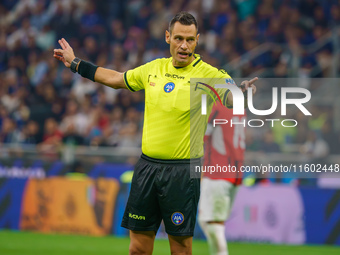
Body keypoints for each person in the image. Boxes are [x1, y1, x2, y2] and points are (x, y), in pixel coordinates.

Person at [53, 11, 257, 255]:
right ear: (167, 37)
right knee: (138, 248)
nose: (184, 45)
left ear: (198, 40)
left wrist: (241, 94)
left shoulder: (209, 74)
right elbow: (117, 79)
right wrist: (77, 64)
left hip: (182, 174)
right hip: (147, 169)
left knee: (181, 249)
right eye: (179, 38)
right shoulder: (154, 69)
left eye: (190, 39)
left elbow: (229, 94)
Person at [198, 104, 246, 255]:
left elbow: (200, 138)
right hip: (234, 173)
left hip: (217, 172)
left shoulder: (216, 108)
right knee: (214, 221)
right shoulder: (240, 108)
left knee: (210, 221)